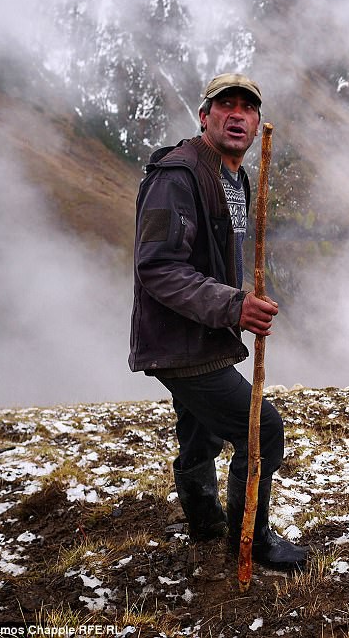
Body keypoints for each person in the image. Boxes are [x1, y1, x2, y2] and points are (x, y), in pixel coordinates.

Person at [129, 73, 306, 573]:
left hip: (200, 333)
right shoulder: (177, 176)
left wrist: (236, 302)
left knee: (201, 431)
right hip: (181, 341)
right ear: (204, 116)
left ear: (257, 122)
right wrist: (234, 306)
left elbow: (214, 257)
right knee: (262, 429)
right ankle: (250, 539)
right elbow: (158, 268)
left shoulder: (235, 178)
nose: (237, 115)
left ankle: (205, 523)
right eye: (225, 105)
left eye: (247, 108)